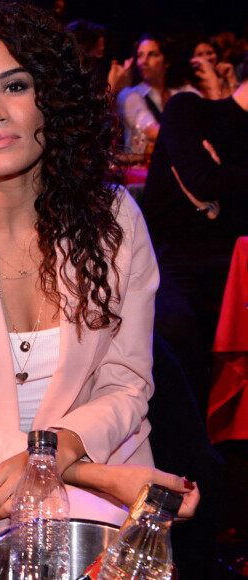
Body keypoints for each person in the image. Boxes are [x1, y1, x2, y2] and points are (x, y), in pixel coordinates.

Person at [0, 0, 199, 561]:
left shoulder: (115, 218)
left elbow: (127, 382)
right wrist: (87, 476)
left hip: (105, 450)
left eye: (16, 86)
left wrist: (67, 454)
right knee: (18, 554)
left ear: (51, 97)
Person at [140, 77, 248, 419]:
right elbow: (202, 178)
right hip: (174, 255)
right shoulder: (189, 107)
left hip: (234, 259)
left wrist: (221, 183)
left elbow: (212, 184)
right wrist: (217, 186)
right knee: (176, 326)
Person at [117, 33, 198, 154]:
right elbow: (151, 131)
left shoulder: (182, 91)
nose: (144, 61)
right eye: (140, 56)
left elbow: (210, 115)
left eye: (152, 55)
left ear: (167, 62)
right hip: (142, 169)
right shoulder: (130, 95)